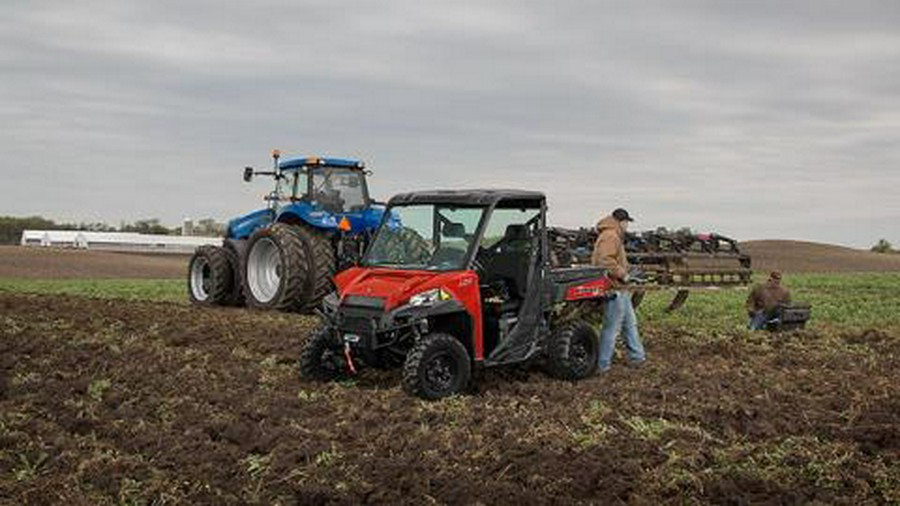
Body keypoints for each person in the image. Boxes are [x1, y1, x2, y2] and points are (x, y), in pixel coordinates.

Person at [591, 208, 646, 372]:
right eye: (627, 222)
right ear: (621, 222)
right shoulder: (610, 236)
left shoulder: (613, 234)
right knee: (612, 327)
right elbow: (604, 260)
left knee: (630, 324)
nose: (628, 225)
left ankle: (637, 357)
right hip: (614, 287)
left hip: (621, 288)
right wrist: (624, 274)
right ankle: (602, 365)